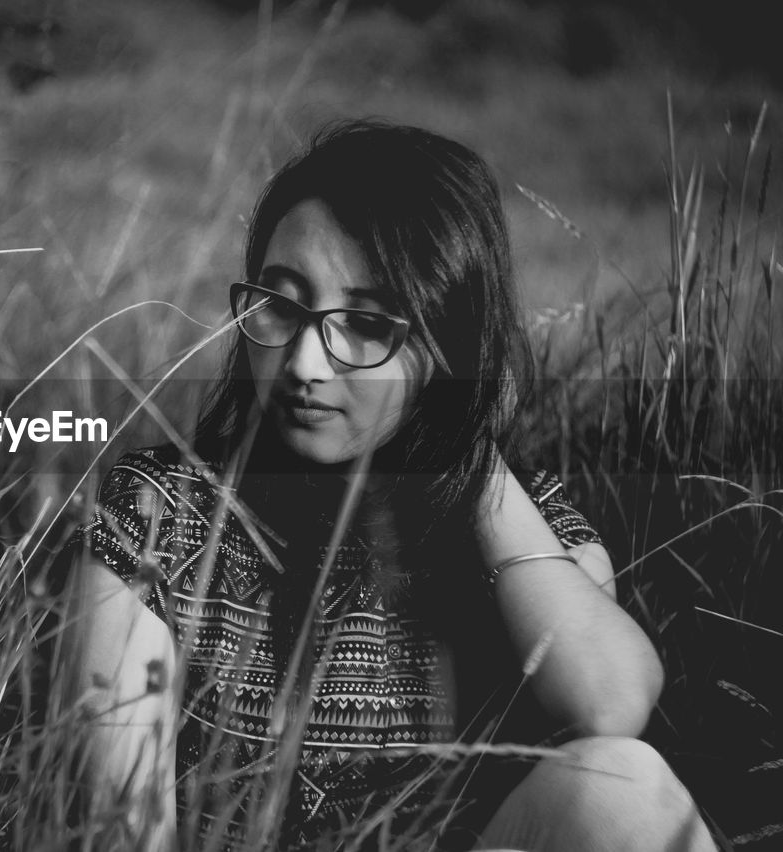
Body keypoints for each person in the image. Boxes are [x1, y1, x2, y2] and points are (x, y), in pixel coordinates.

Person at [53, 118, 716, 852]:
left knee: (621, 786)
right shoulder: (161, 516)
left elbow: (613, 706)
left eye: (365, 322)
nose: (306, 364)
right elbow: (119, 832)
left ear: (444, 344)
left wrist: (467, 453)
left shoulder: (525, 518)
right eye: (280, 303)